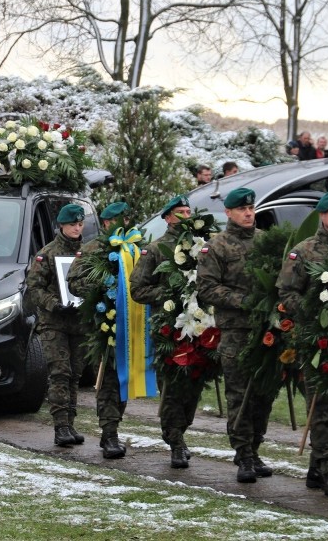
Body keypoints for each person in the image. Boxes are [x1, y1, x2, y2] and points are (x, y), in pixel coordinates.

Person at [276, 190, 328, 497]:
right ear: (322, 215)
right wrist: (312, 308)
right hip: (315, 340)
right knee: (320, 404)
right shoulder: (304, 250)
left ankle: (316, 467)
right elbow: (286, 293)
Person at [196, 188, 273, 483]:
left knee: (264, 395)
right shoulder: (216, 246)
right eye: (242, 209)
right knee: (240, 395)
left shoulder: (266, 241)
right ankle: (242, 454)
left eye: (251, 207)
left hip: (265, 332)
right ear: (228, 212)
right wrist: (244, 301)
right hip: (236, 332)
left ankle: (255, 449)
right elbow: (206, 288)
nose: (249, 213)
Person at [67, 202, 143, 459]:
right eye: (118, 220)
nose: (123, 224)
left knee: (123, 377)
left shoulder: (135, 248)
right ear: (108, 223)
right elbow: (74, 282)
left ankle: (112, 428)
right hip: (104, 324)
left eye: (126, 219)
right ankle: (109, 434)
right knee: (109, 377)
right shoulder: (91, 250)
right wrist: (103, 288)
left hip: (132, 323)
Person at [130, 194, 201, 468]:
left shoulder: (200, 245)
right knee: (172, 386)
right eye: (180, 212)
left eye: (188, 210)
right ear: (168, 218)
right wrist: (168, 291)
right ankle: (175, 440)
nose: (186, 215)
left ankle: (181, 430)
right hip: (167, 329)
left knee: (194, 384)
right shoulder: (155, 249)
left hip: (197, 326)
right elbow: (138, 289)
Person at [26, 203, 87, 447]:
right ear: (61, 225)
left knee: (75, 375)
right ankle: (60, 426)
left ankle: (70, 424)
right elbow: (34, 288)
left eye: (80, 224)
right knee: (60, 373)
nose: (77, 228)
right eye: (72, 224)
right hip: (55, 323)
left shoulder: (86, 252)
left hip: (79, 323)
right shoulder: (48, 253)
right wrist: (54, 303)